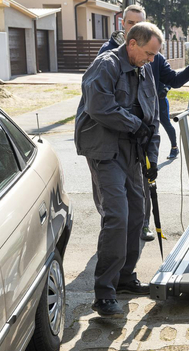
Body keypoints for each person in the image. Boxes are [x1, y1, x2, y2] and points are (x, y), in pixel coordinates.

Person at [75, 22, 164, 317]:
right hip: (104, 149)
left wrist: (151, 159)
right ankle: (104, 293)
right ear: (133, 44)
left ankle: (125, 278)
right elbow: (98, 107)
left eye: (154, 56)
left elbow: (152, 117)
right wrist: (133, 124)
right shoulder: (106, 65)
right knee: (117, 215)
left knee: (138, 213)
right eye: (149, 53)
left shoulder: (146, 69)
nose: (151, 60)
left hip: (132, 150)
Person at [99, 4, 189, 242]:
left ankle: (141, 224)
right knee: (112, 192)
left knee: (143, 182)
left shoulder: (152, 53)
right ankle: (114, 230)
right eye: (131, 23)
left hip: (144, 121)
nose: (136, 27)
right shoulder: (108, 55)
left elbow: (174, 80)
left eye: (140, 22)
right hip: (115, 130)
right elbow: (100, 101)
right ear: (123, 24)